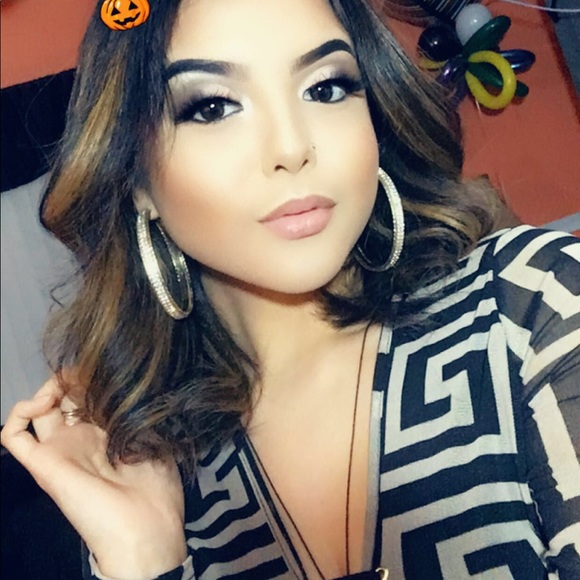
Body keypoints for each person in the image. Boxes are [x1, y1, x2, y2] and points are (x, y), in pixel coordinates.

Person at [2, 0, 579, 578]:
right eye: (213, 106)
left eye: (327, 89)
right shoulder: (158, 474)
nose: (291, 147)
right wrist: (147, 561)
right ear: (136, 179)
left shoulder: (532, 303)